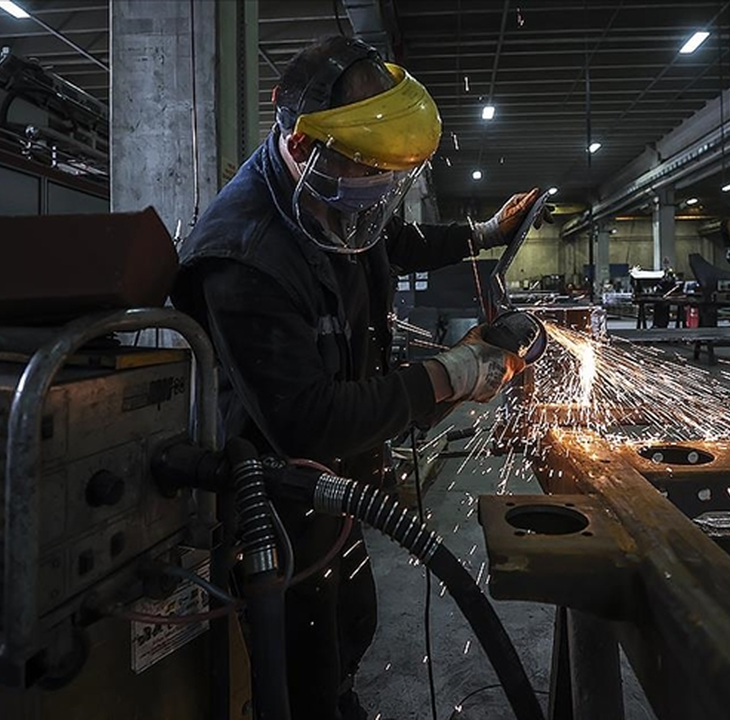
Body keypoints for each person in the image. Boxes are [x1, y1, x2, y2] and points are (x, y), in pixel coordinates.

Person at [170, 36, 549, 720]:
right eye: (361, 173)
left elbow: (391, 240)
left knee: (353, 627)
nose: (371, 194)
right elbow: (306, 420)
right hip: (275, 500)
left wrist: (483, 232)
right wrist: (453, 372)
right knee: (302, 667)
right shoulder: (242, 259)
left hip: (341, 483)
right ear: (300, 145)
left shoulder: (337, 191)